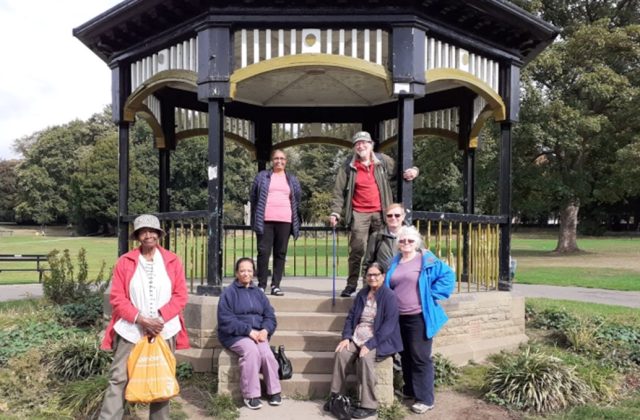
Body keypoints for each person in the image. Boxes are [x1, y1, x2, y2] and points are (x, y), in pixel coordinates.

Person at [99, 214, 189, 420]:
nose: (148, 235)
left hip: (164, 329)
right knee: (119, 377)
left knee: (161, 377)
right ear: (138, 236)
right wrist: (140, 319)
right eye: (143, 231)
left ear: (158, 234)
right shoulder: (125, 261)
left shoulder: (173, 261)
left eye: (152, 231)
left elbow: (180, 295)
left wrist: (159, 318)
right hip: (131, 329)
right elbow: (117, 297)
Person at [329, 131, 418, 297]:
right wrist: (335, 212)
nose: (361, 146)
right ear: (354, 147)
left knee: (380, 250)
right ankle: (351, 284)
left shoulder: (383, 161)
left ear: (371, 145)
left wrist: (414, 170)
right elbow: (338, 191)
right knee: (357, 250)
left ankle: (375, 284)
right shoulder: (348, 165)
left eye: (364, 143)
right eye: (357, 144)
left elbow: (401, 171)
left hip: (381, 212)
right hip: (359, 213)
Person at [384, 225, 454, 414]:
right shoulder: (395, 261)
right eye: (402, 240)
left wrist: (431, 293)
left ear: (417, 242)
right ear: (398, 243)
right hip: (398, 317)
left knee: (420, 357)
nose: (406, 243)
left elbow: (448, 276)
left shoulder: (426, 259)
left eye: (410, 240)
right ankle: (410, 390)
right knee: (405, 355)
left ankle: (425, 398)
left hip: (418, 316)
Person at [327, 262, 402, 419]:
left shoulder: (389, 296)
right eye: (369, 275)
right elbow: (351, 317)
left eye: (376, 275)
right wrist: (346, 337)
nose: (372, 277)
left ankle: (369, 405)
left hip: (379, 339)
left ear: (383, 277)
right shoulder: (362, 293)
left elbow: (389, 326)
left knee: (365, 359)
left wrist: (370, 345)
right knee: (341, 354)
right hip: (358, 336)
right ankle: (336, 396)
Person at [217, 257, 282, 410]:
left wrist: (266, 330)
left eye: (249, 271)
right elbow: (226, 320)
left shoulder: (259, 293)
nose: (246, 274)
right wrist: (248, 331)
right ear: (236, 273)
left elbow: (270, 316)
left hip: (258, 333)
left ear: (253, 273)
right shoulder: (228, 293)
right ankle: (251, 394)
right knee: (252, 352)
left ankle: (274, 390)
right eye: (242, 271)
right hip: (236, 335)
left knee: (267, 354)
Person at [250, 149, 302, 296]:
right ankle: (261, 285)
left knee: (281, 253)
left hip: (285, 220)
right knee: (263, 252)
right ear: (272, 161)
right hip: (265, 220)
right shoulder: (262, 176)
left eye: (282, 158)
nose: (279, 161)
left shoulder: (292, 179)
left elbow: (297, 199)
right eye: (276, 158)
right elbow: (253, 196)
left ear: (286, 161)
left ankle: (276, 285)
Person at [362, 203, 406, 274]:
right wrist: (367, 283)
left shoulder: (412, 237)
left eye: (397, 215)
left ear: (403, 217)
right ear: (385, 218)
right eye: (389, 215)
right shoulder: (376, 236)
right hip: (382, 282)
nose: (393, 218)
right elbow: (367, 263)